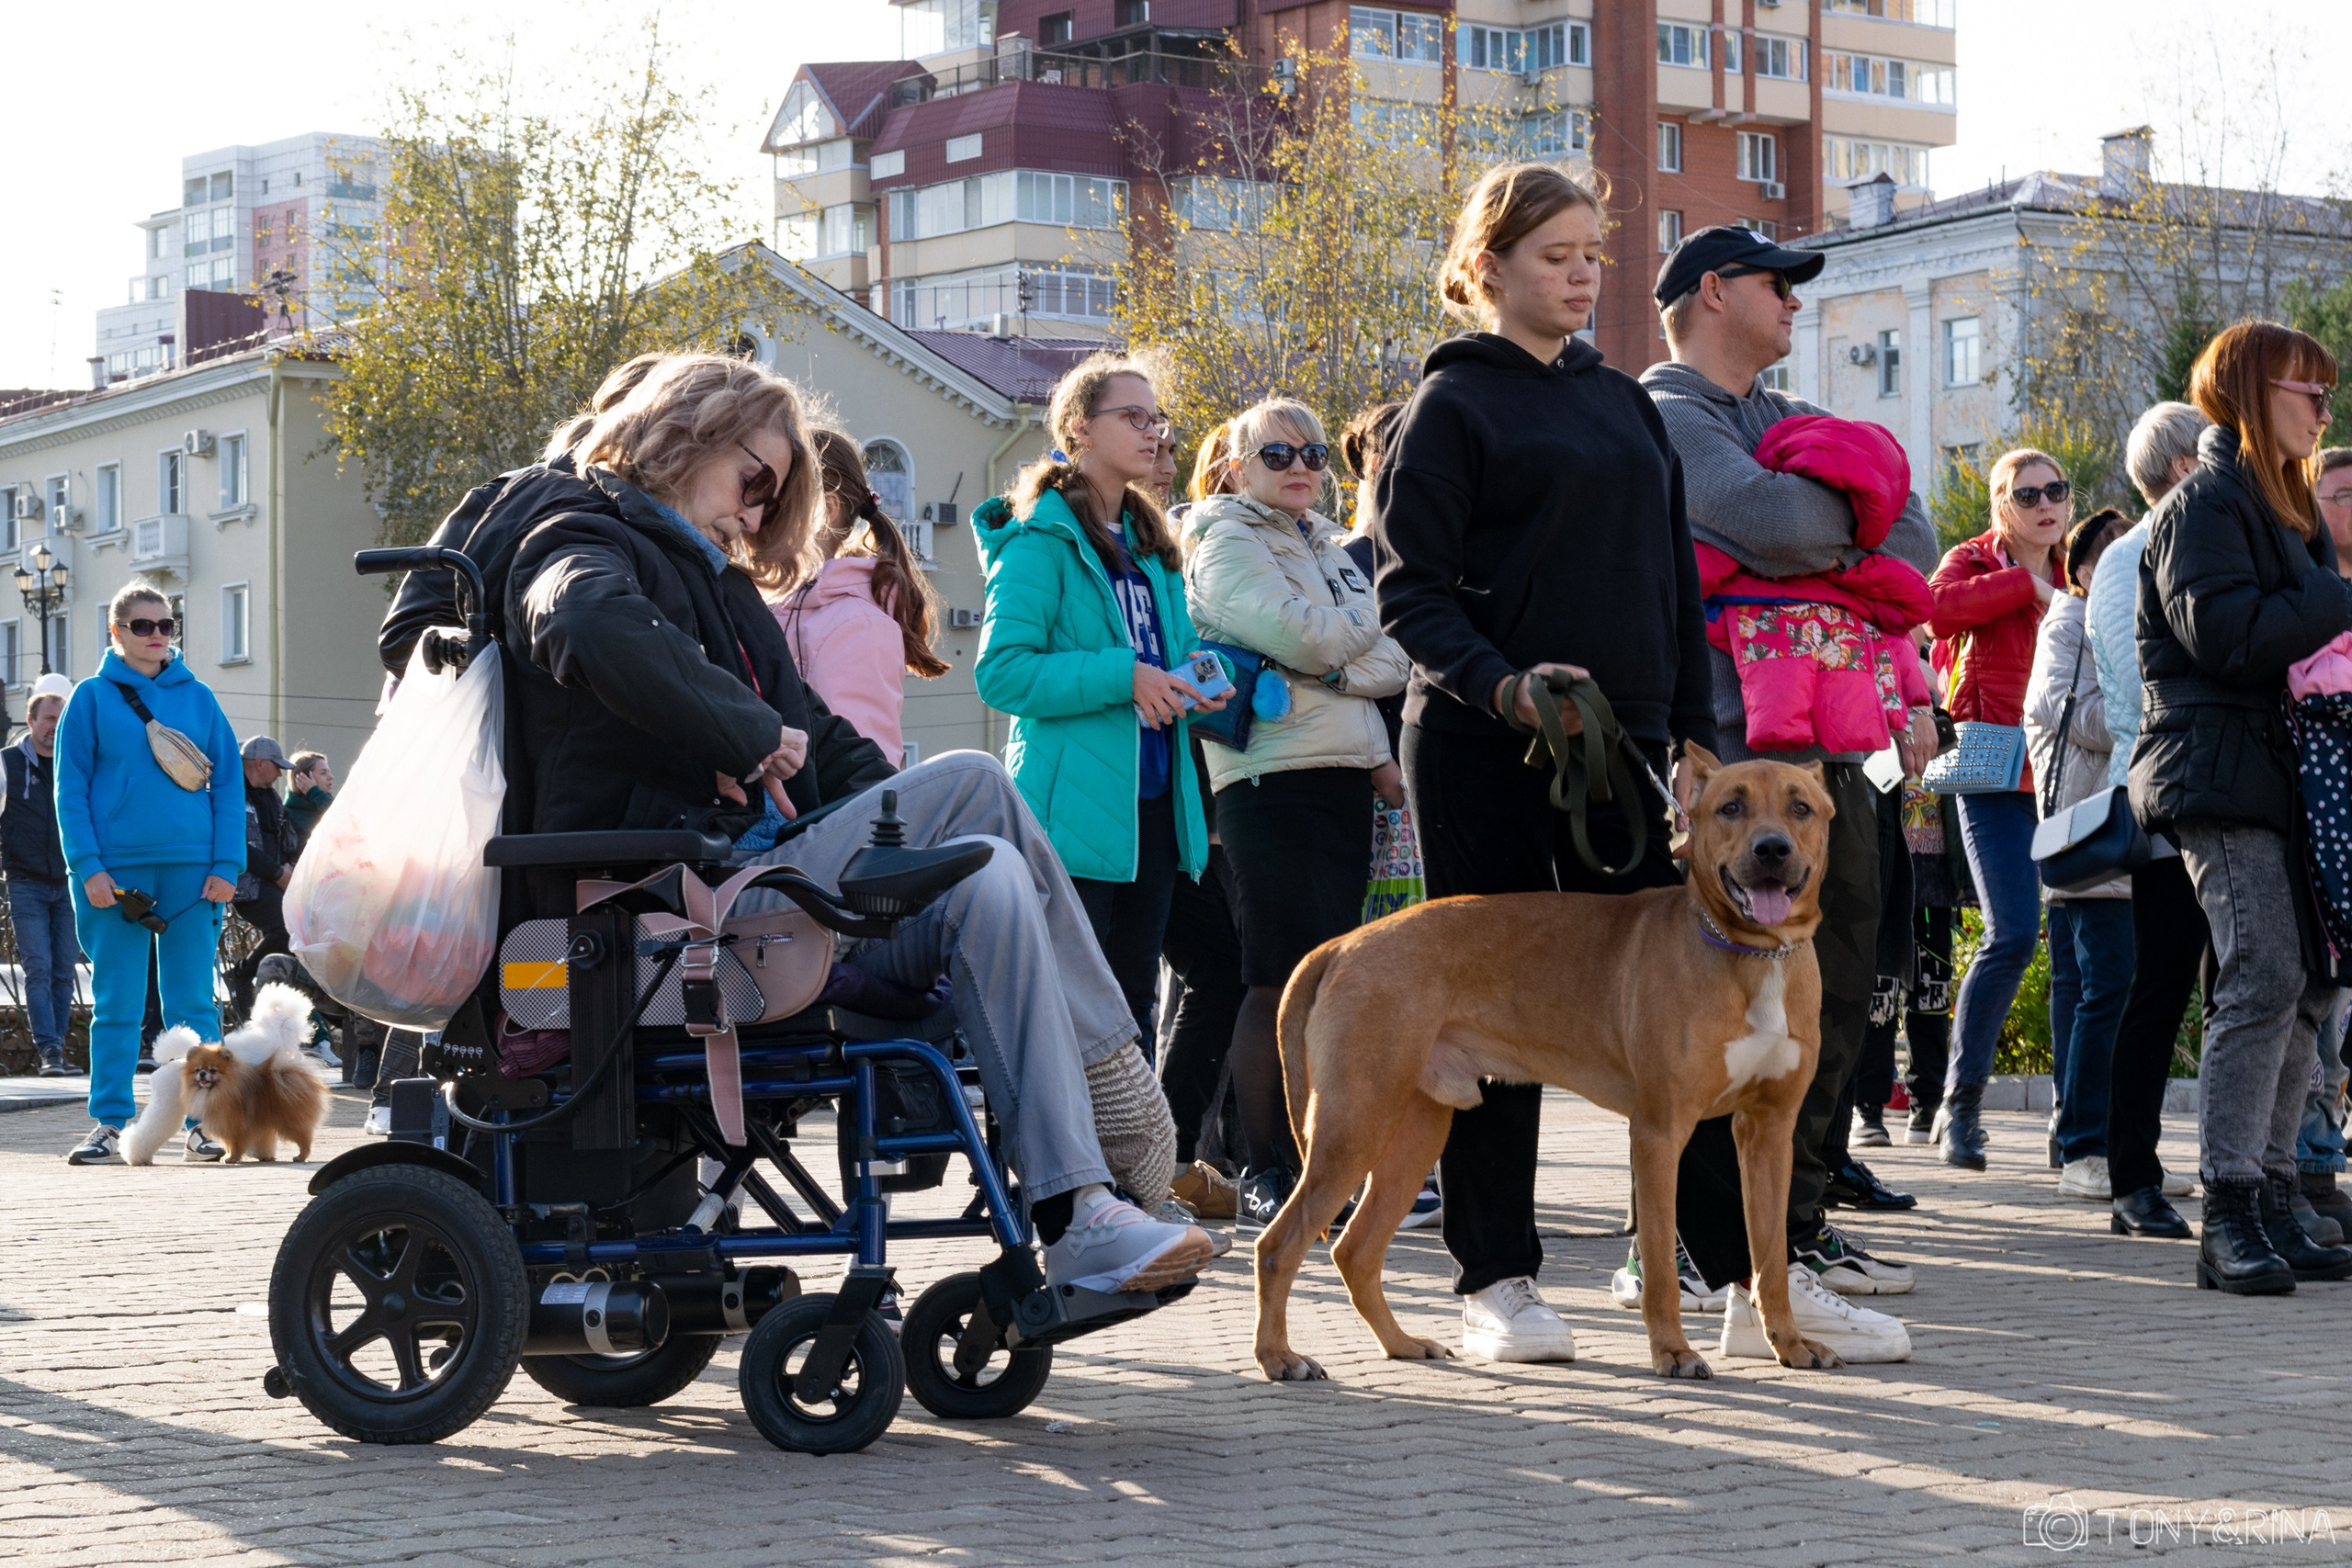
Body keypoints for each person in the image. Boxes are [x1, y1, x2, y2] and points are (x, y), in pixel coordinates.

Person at [472, 351, 1211, 1292]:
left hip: (744, 890)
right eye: (753, 482)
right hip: (649, 907)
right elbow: (581, 625)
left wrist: (861, 786)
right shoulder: (581, 535)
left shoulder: (716, 586)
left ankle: (1075, 1214)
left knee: (983, 869)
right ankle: (1120, 1090)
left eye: (772, 497)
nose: (754, 512)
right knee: (979, 783)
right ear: (688, 431)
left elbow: (823, 746)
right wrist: (743, 730)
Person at [1375, 165, 1905, 1363]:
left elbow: (1675, 587)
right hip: (1481, 743)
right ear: (1489, 264)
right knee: (1499, 1013)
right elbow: (1407, 593)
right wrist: (1503, 680)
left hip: (1631, 752)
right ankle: (1495, 1278)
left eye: (1590, 253)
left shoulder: (1624, 407)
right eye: (1554, 252)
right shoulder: (1447, 409)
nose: (1578, 272)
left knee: (1697, 1009)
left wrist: (1679, 745)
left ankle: (1739, 1280)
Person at [1642, 225, 1931, 1297]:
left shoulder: (1788, 417)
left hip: (1828, 755)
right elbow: (1764, 513)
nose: (1799, 303)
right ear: (1714, 293)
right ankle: (1692, 1252)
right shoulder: (1666, 415)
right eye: (1780, 285)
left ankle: (1796, 1229)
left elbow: (1912, 520)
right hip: (1726, 757)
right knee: (1714, 1021)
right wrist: (1839, 521)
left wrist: (1832, 532)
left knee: (1833, 993)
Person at [2132, 321, 2352, 1294]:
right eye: (2308, 391)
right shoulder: (2204, 503)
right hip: (2217, 767)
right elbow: (2224, 636)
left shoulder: (2281, 506)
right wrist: (2339, 594)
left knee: (2304, 980)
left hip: (2280, 768)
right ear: (2254, 392)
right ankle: (2226, 1209)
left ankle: (2270, 1198)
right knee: (2261, 970)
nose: (2323, 410)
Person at [1181, 395, 1410, 1225]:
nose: (1302, 466)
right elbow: (1319, 637)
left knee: (1328, 982)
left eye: (1313, 452)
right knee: (1273, 977)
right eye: (1277, 455)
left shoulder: (1321, 542)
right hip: (1268, 780)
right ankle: (1263, 1165)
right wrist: (1345, 644)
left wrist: (1333, 661)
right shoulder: (1224, 537)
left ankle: (1320, 1162)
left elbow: (1388, 654)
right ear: (1237, 466)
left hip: (1343, 773)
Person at [971, 353, 1223, 1059]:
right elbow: (1002, 674)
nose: (1153, 432)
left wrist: (1198, 680)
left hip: (1155, 808)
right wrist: (1127, 676)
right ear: (1079, 429)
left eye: (1157, 419)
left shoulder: (1150, 546)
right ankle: (1060, 1168)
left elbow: (1166, 659)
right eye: (1133, 417)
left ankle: (1129, 1169)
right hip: (1070, 814)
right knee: (1069, 1008)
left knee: (1133, 999)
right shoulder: (1037, 541)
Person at [55, 584, 243, 1165]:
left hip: (193, 870)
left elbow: (229, 786)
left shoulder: (200, 697)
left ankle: (201, 1124)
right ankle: (110, 1124)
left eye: (167, 624)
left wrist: (227, 865)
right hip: (114, 874)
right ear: (116, 632)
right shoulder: (89, 699)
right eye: (142, 626)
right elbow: (71, 791)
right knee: (117, 1003)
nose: (157, 634)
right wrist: (87, 866)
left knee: (193, 1002)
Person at [2085, 400, 2211, 1236]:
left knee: (2183, 986)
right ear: (2179, 466)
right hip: (2178, 791)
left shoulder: (2132, 554)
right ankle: (2133, 1172)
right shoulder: (2146, 552)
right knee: (2163, 985)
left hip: (2182, 787)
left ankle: (2162, 1171)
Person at [1928, 447, 2072, 1169]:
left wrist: (2059, 593)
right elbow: (1934, 612)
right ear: (2002, 504)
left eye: (2056, 490)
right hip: (1993, 765)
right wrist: (2024, 588)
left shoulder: (2082, 567)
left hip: (2074, 770)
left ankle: (2077, 1127)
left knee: (2085, 946)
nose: (2045, 502)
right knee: (2013, 931)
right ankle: (1961, 1104)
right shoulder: (1975, 562)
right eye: (2028, 493)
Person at [2023, 508, 2135, 1201]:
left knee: (2100, 988)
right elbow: (2062, 710)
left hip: (2117, 834)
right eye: (2116, 554)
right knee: (2108, 988)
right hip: (2090, 831)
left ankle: (2091, 1141)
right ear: (2087, 570)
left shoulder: (2114, 624)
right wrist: (2141, 709)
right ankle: (2085, 1147)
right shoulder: (2071, 621)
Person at [765, 429, 948, 762]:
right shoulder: (772, 603)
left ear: (825, 509)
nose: (755, 508)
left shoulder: (860, 626)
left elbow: (859, 770)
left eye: (773, 496)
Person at [2301, 446, 2352, 1235]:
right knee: (2316, 983)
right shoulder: (2306, 586)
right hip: (2322, 794)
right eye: (2342, 494)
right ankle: (2306, 1162)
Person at [6, 673, 81, 1077]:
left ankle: (57, 1052)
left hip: (69, 881)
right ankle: (50, 1051)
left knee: (63, 970)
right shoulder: (7, 764)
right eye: (49, 717)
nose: (55, 725)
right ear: (31, 719)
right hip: (26, 882)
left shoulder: (74, 765)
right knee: (38, 967)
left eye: (61, 717)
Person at [231, 736, 299, 1021]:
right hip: (248, 887)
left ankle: (262, 985)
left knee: (297, 930)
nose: (281, 773)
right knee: (288, 928)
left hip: (274, 881)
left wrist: (289, 868)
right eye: (277, 766)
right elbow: (238, 845)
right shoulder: (232, 793)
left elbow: (283, 840)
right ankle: (243, 973)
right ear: (260, 763)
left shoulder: (270, 797)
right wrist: (278, 873)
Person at [283, 751, 334, 849]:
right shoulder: (289, 815)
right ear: (304, 778)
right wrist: (313, 792)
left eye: (329, 772)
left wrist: (316, 794)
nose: (331, 777)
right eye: (323, 773)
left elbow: (343, 818)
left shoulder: (326, 803)